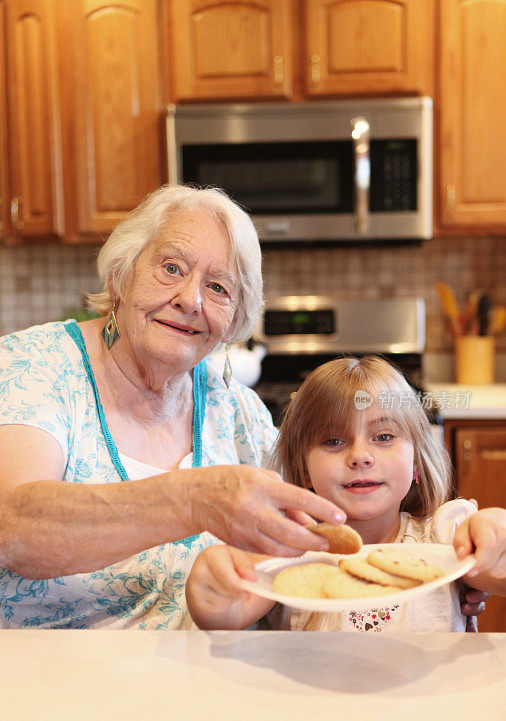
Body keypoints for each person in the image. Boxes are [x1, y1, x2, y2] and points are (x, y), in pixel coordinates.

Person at [0, 184, 345, 629]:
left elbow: (328, 522)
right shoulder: (35, 366)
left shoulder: (237, 411)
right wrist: (196, 499)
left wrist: (452, 545)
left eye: (218, 287)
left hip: (206, 684)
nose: (190, 299)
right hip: (59, 686)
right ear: (120, 276)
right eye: (171, 267)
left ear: (233, 320)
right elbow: (15, 525)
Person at [186, 356, 505, 632]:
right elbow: (224, 616)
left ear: (416, 464)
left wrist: (495, 534)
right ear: (303, 469)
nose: (360, 456)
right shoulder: (285, 555)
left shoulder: (447, 538)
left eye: (383, 436)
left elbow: (497, 571)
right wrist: (212, 586)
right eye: (333, 441)